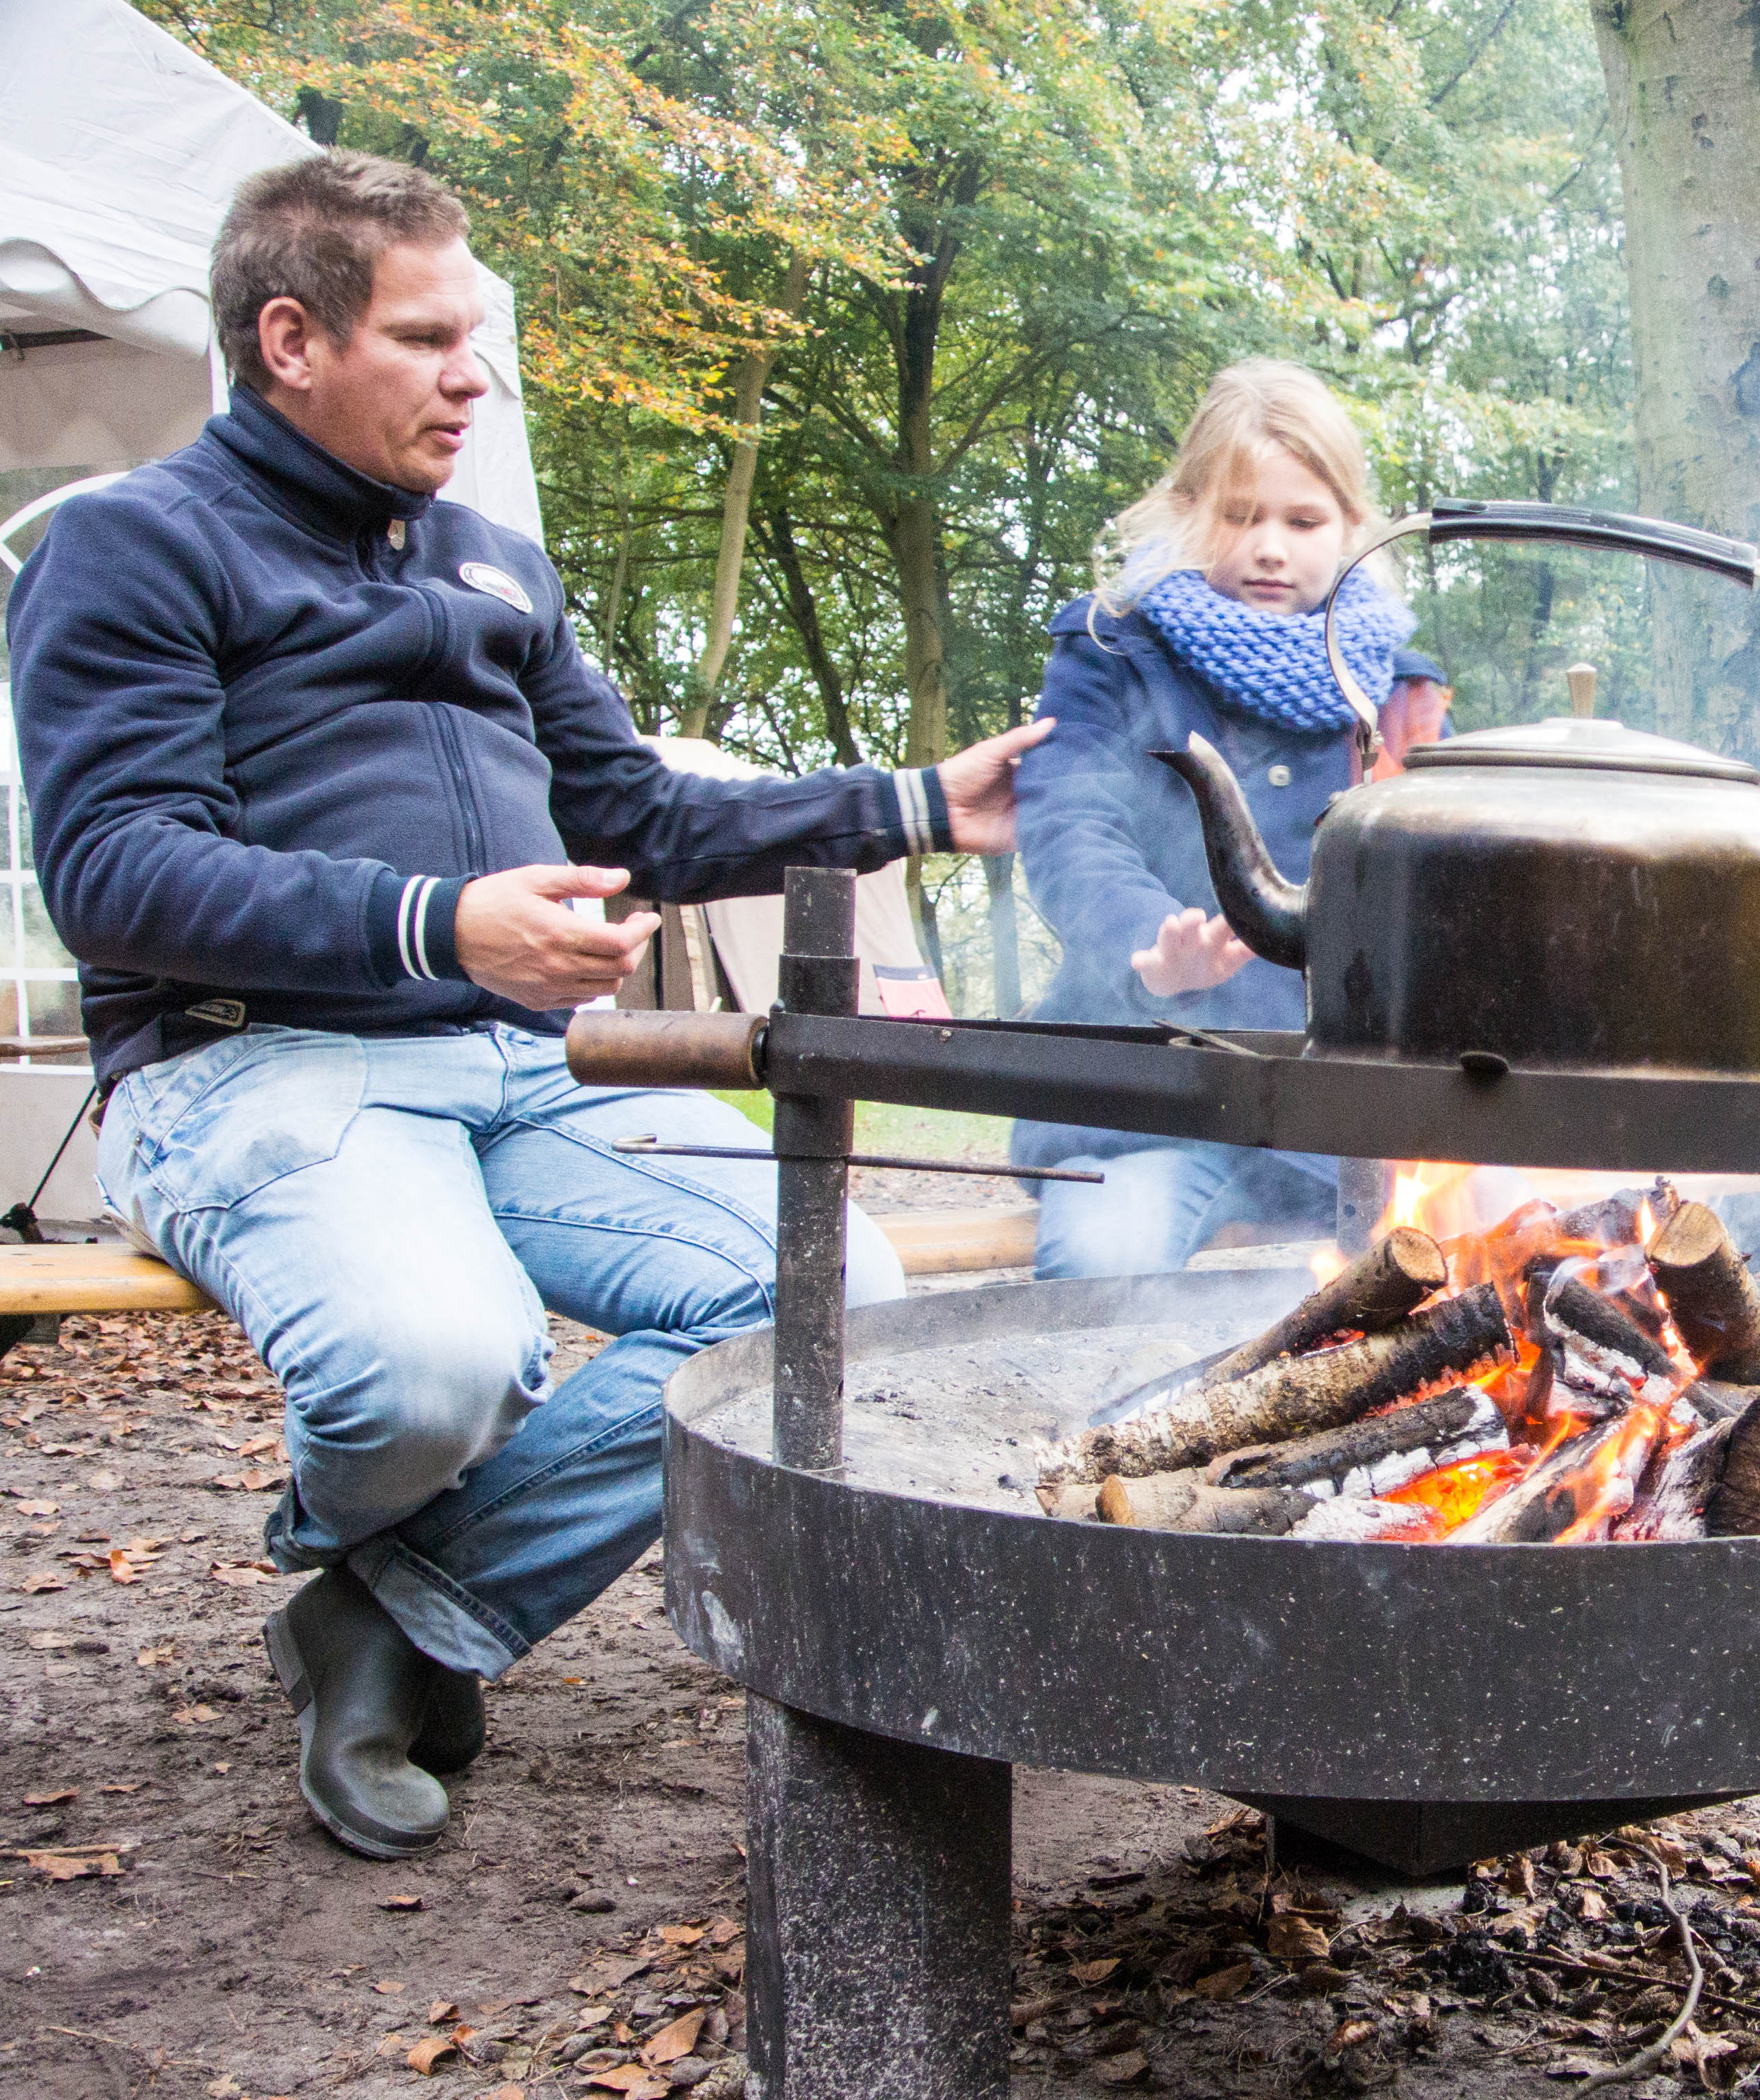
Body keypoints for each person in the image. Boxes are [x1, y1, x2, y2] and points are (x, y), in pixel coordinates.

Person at [1, 152, 1050, 1860]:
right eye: (426, 339)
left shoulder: (497, 568)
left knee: (825, 1290)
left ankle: (395, 1608)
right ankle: (406, 1585)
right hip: (251, 1063)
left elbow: (640, 817)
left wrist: (919, 803)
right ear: (290, 339)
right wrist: (440, 923)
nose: (472, 378)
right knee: (439, 1367)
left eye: (472, 338)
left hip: (529, 1068)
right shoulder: (134, 546)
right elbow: (116, 870)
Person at [1010, 361, 1439, 1274]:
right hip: (1148, 1102)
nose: (1270, 548)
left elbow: (1443, 875)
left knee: (1492, 1269)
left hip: (1346, 1122)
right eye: (1240, 516)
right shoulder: (1111, 646)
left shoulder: (1402, 692)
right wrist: (1151, 946)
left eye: (1302, 521)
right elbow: (1069, 823)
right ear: (1186, 509)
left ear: (1351, 526)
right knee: (1101, 1272)